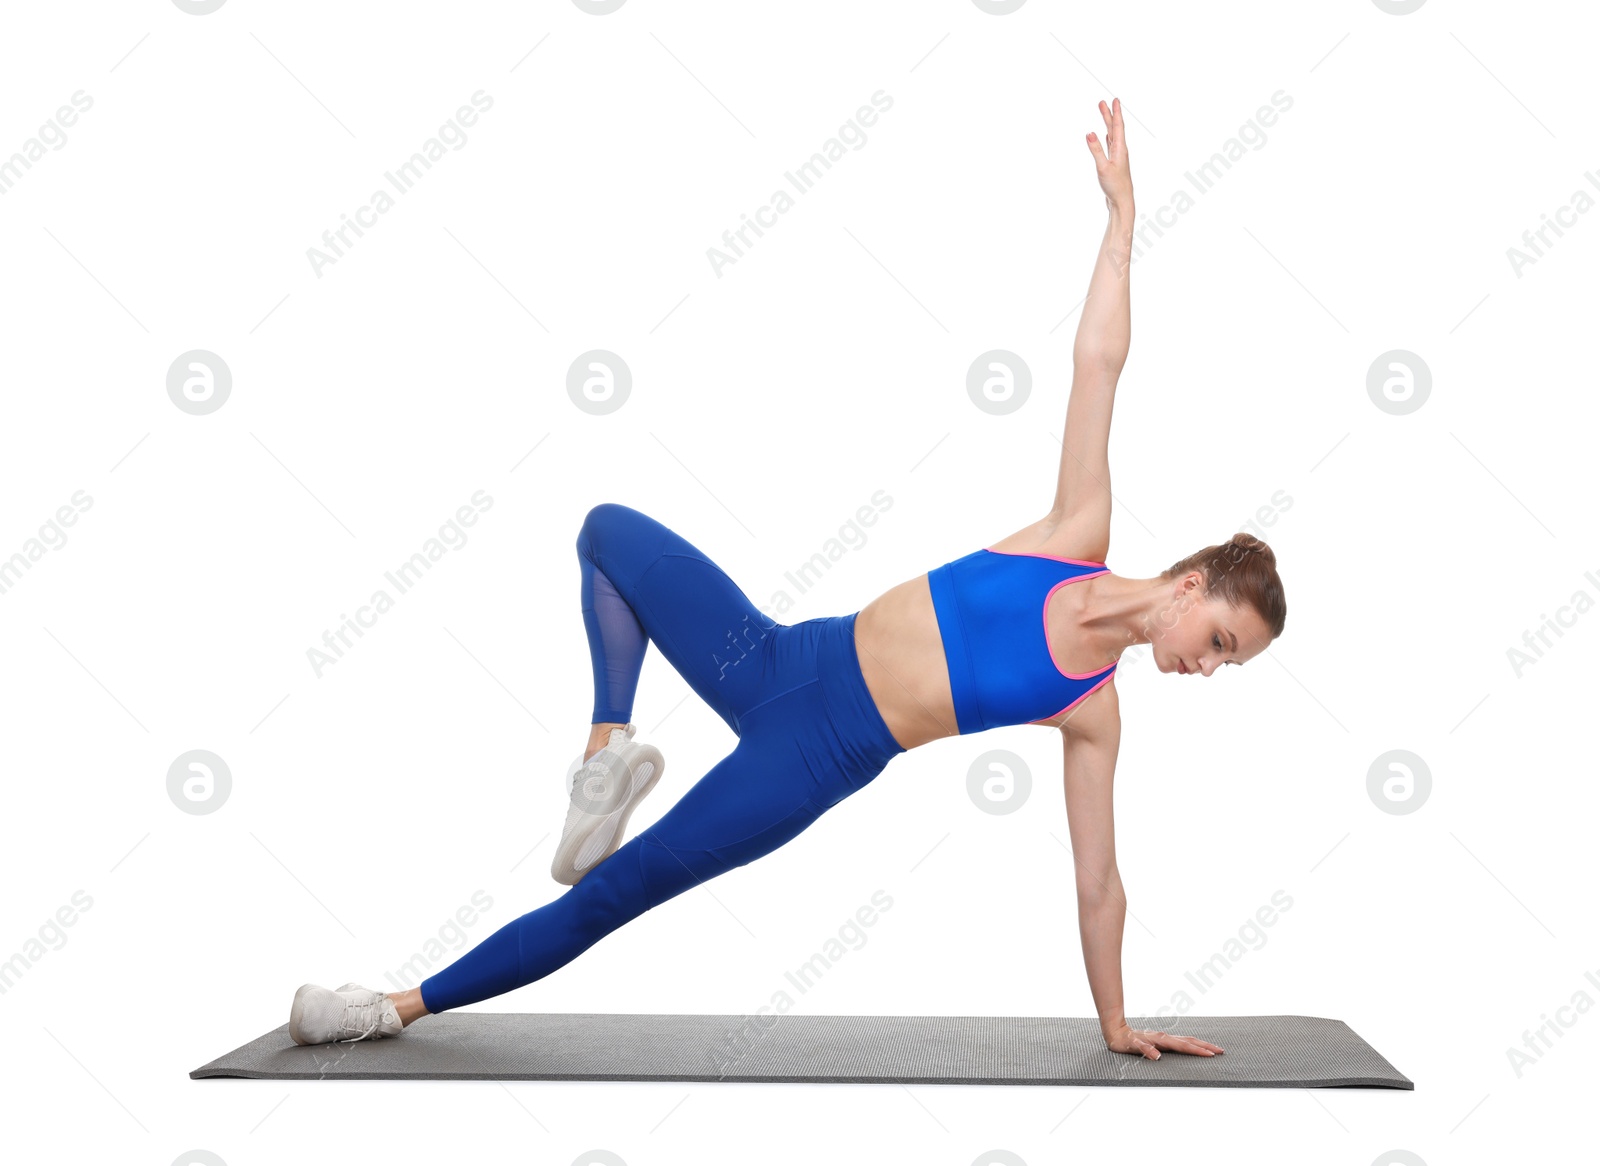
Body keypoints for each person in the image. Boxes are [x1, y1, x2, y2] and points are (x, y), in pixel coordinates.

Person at [288, 99, 1286, 1063]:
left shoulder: (1091, 709)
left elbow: (1099, 879)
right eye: (1222, 642)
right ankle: (609, 750)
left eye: (1225, 662)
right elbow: (1098, 362)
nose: (1208, 667)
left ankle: (384, 1006)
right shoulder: (1076, 532)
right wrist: (1120, 222)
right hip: (772, 655)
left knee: (612, 891)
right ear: (1191, 582)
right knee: (607, 534)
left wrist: (1115, 1019)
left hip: (810, 757)